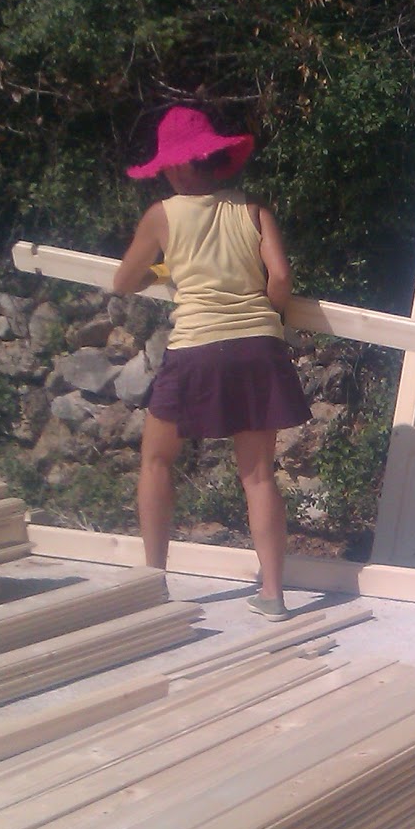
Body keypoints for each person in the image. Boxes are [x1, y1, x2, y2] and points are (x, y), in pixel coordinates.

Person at [112, 106, 311, 621]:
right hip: (258, 348)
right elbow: (280, 278)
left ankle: (155, 580)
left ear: (179, 165)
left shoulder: (162, 215)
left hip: (197, 348)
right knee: (259, 475)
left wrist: (163, 269)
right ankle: (273, 595)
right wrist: (269, 313)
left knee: (157, 461)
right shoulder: (253, 210)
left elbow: (124, 281)